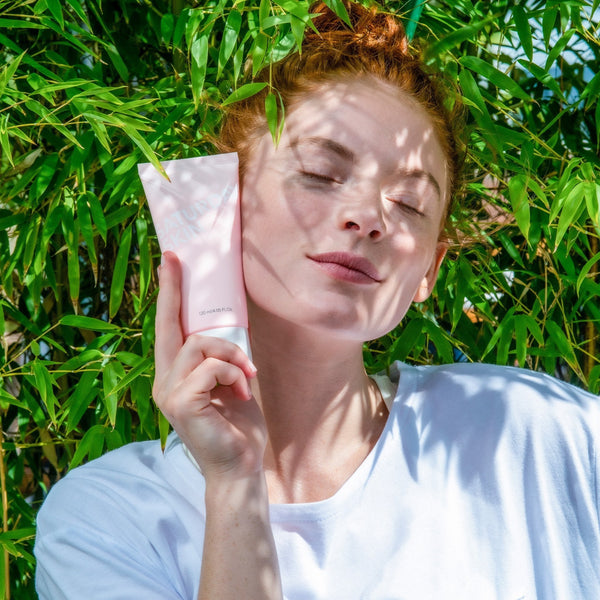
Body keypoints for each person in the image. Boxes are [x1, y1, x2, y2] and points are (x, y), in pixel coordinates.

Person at [35, 2, 600, 599]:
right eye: (320, 173)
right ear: (219, 204)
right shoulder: (106, 520)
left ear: (430, 270)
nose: (368, 217)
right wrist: (234, 483)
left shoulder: (534, 434)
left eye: (409, 204)